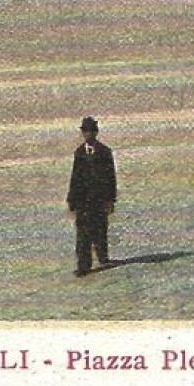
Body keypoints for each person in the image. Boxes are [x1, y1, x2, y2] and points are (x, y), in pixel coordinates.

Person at [67, 116, 117, 276]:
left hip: (99, 200)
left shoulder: (104, 152)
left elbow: (111, 177)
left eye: (91, 131)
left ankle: (103, 256)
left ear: (96, 132)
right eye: (85, 131)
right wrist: (72, 199)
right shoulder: (80, 153)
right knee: (82, 234)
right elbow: (75, 177)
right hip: (83, 200)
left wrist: (110, 199)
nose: (88, 134)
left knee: (100, 229)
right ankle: (84, 265)